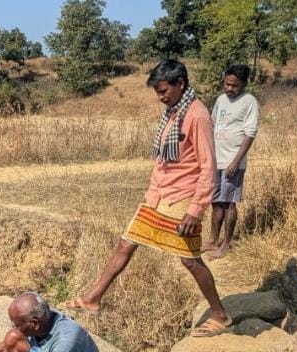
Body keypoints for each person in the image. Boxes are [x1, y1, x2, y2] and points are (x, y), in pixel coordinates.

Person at [66, 60, 232, 337]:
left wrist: (196, 210)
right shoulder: (173, 112)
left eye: (163, 90)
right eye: (157, 91)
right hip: (158, 196)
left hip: (183, 198)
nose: (160, 97)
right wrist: (152, 191)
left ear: (181, 84)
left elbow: (208, 166)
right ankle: (92, 298)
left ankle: (220, 315)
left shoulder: (197, 115)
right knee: (126, 243)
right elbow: (163, 162)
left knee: (190, 260)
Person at [206, 64, 259, 258]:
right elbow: (212, 124)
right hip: (217, 160)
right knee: (216, 202)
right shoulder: (221, 99)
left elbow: (250, 133)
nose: (229, 88)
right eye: (227, 84)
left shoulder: (249, 102)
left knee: (229, 203)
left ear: (244, 84)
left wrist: (236, 161)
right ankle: (212, 241)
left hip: (232, 162)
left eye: (234, 85)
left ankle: (227, 243)